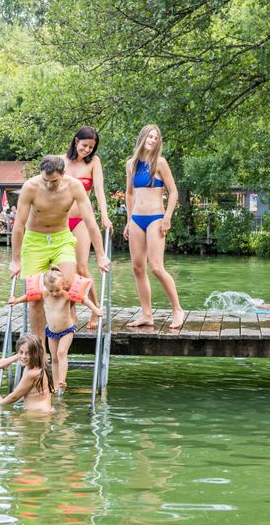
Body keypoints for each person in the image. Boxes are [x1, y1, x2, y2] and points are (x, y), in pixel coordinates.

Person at [11, 155, 110, 359]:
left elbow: (91, 222)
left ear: (63, 174)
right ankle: (40, 351)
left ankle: (62, 340)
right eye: (45, 180)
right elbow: (19, 225)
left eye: (54, 181)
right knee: (35, 297)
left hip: (61, 238)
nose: (49, 185)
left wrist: (101, 255)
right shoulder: (31, 187)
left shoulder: (74, 187)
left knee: (67, 285)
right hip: (35, 241)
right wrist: (16, 259)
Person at [124, 124, 185, 330]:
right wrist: (129, 219)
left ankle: (177, 310)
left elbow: (174, 192)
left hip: (155, 219)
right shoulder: (131, 164)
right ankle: (146, 314)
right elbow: (130, 194)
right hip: (136, 220)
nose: (152, 140)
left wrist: (167, 217)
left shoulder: (160, 163)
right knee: (137, 267)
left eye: (156, 137)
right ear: (142, 137)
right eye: (150, 136)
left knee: (157, 267)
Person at [9, 266, 102, 392]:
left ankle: (62, 381)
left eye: (57, 290)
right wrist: (16, 301)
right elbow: (28, 296)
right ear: (46, 287)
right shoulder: (45, 294)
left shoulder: (66, 296)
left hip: (67, 330)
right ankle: (56, 385)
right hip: (51, 332)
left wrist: (95, 310)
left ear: (63, 285)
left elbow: (84, 299)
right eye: (51, 290)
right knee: (54, 358)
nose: (54, 293)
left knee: (61, 353)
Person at [64, 126, 113, 329]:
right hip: (61, 220)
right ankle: (71, 312)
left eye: (91, 147)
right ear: (76, 141)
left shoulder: (94, 162)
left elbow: (99, 190)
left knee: (82, 267)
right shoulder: (61, 161)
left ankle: (95, 309)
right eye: (85, 146)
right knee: (66, 270)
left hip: (82, 220)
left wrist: (105, 215)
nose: (87, 150)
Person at [0, 334, 54, 412]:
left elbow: (15, 396)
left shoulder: (32, 373)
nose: (24, 356)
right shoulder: (38, 365)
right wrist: (10, 360)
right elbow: (1, 363)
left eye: (28, 353)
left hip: (37, 415)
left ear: (35, 354)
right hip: (42, 412)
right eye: (21, 352)